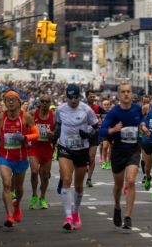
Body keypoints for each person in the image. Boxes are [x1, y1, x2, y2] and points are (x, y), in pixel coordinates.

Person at [0, 91, 40, 227]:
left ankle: (17, 206)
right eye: (7, 100)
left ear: (19, 102)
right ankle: (9, 216)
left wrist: (25, 137)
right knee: (6, 184)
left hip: (21, 157)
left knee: (18, 187)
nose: (10, 102)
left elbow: (36, 134)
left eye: (13, 100)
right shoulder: (0, 117)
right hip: (4, 156)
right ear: (4, 103)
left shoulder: (26, 118)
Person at [53, 84, 99, 230]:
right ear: (66, 97)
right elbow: (58, 125)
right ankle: (67, 217)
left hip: (81, 149)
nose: (73, 100)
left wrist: (88, 133)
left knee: (78, 184)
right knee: (66, 179)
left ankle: (75, 212)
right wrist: (54, 139)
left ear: (80, 96)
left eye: (76, 97)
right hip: (65, 148)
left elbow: (96, 125)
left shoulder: (86, 109)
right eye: (70, 97)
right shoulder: (60, 109)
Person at [99, 83, 144, 229]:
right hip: (118, 151)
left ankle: (128, 216)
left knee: (130, 180)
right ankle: (117, 207)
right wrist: (114, 130)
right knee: (118, 185)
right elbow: (102, 131)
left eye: (128, 92)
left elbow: (142, 122)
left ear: (132, 94)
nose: (126, 94)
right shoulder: (114, 112)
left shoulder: (138, 109)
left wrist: (144, 128)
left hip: (133, 150)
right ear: (119, 95)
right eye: (123, 92)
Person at [28, 95, 55, 210]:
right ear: (39, 102)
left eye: (46, 101)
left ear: (50, 103)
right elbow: (25, 126)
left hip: (47, 148)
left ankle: (42, 197)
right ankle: (34, 195)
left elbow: (57, 133)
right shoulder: (33, 114)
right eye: (42, 101)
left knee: (45, 175)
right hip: (34, 147)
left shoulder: (54, 117)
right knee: (34, 171)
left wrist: (52, 135)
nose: (44, 103)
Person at [86, 90, 106, 187]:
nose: (92, 98)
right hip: (83, 135)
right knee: (83, 157)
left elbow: (107, 115)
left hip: (93, 135)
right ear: (86, 97)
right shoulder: (81, 107)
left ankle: (89, 178)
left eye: (94, 97)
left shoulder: (97, 108)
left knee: (92, 157)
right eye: (91, 96)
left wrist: (101, 119)